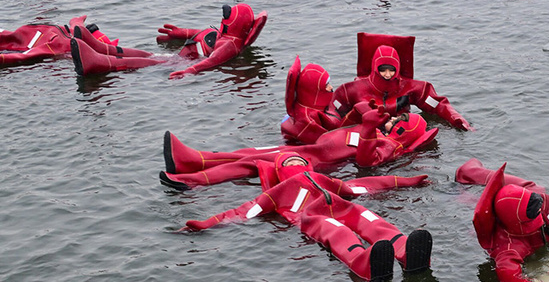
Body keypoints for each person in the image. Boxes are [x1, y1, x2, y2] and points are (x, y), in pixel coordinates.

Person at [182, 152, 432, 282]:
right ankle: (361, 261)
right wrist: (205, 224)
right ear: (280, 172)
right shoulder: (275, 193)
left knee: (371, 219)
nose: (295, 162)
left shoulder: (324, 180)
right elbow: (243, 212)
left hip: (341, 205)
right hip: (311, 217)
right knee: (337, 232)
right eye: (289, 161)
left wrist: (406, 181)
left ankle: (404, 250)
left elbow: (361, 185)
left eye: (299, 160)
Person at [160, 104, 437, 189]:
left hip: (313, 162)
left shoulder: (388, 146)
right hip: (310, 150)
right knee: (251, 154)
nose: (391, 123)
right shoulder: (377, 129)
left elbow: (367, 163)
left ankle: (191, 180)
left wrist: (367, 129)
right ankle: (194, 159)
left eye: (398, 123)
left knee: (251, 164)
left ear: (404, 133)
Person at [70, 3, 267, 79]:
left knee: (148, 61)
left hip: (181, 62)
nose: (224, 18)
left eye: (228, 16)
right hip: (177, 57)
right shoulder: (222, 36)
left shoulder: (229, 45)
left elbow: (210, 61)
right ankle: (97, 46)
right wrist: (179, 32)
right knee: (146, 54)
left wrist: (188, 71)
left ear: (235, 21)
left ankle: (96, 63)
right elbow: (198, 33)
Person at [332, 33, 473, 131]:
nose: (387, 75)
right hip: (368, 132)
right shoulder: (353, 89)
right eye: (383, 70)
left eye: (392, 70)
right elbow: (333, 107)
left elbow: (437, 105)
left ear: (397, 68)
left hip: (400, 129)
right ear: (375, 67)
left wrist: (456, 119)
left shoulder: (411, 88)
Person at [0, 15, 118, 67]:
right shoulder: (68, 43)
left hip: (33, 33)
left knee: (10, 37)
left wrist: (78, 20)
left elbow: (76, 23)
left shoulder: (73, 35)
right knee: (12, 40)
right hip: (34, 35)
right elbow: (76, 23)